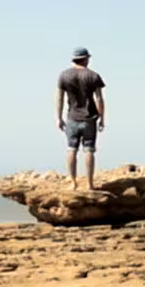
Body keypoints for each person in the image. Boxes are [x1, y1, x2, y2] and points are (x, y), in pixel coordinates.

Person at [56, 46, 106, 190]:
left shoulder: (64, 75)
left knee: (71, 149)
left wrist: (59, 118)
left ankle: (73, 183)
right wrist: (102, 118)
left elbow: (59, 98)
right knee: (89, 150)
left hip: (72, 118)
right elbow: (99, 99)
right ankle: (90, 184)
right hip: (89, 119)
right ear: (85, 59)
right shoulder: (93, 76)